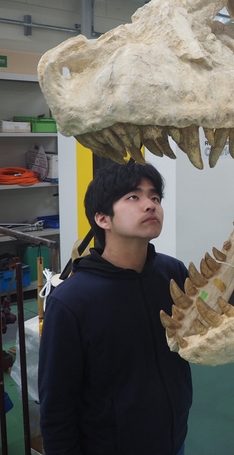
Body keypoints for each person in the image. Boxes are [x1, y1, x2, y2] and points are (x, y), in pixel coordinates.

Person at [39, 161, 192, 455]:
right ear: (102, 219)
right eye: (133, 197)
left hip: (174, 441)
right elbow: (57, 406)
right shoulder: (71, 301)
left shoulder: (173, 273)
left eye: (155, 197)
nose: (150, 205)